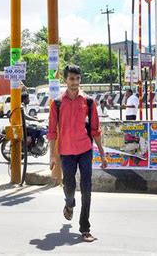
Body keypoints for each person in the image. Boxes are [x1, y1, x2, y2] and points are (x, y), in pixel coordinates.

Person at [48, 65, 108, 242]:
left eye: (77, 79)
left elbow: (96, 130)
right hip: (66, 152)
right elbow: (52, 132)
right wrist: (52, 155)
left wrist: (102, 154)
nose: (74, 82)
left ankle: (85, 228)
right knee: (69, 185)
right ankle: (69, 203)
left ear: (80, 80)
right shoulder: (57, 103)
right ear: (65, 80)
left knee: (87, 187)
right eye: (71, 79)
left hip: (85, 150)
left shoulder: (89, 102)